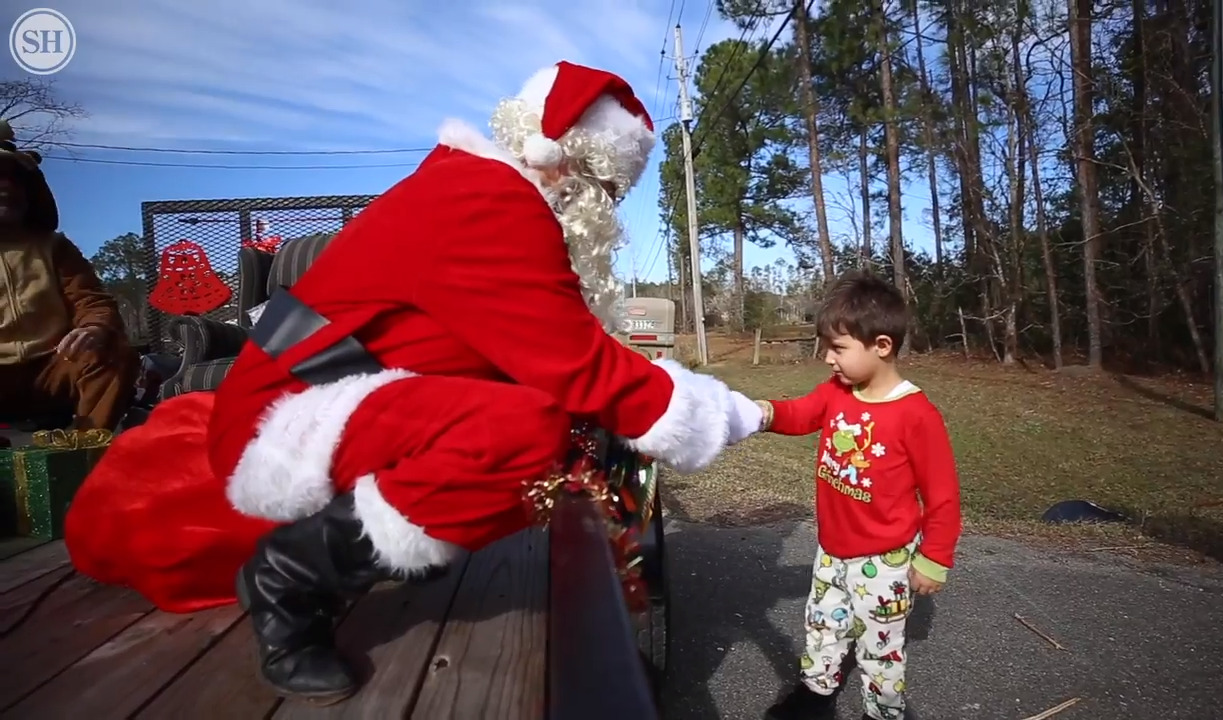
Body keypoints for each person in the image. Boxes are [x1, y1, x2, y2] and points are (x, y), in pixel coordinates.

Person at [65, 61, 762, 705]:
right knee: (525, 430)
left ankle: (383, 537)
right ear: (566, 165)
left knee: (542, 427)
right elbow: (575, 363)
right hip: (291, 414)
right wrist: (720, 413)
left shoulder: (476, 188)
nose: (606, 213)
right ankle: (287, 582)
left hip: (344, 393)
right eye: (608, 191)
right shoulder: (490, 205)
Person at [755, 270, 962, 720]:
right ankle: (816, 692)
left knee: (879, 649)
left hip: (885, 561)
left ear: (882, 346)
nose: (828, 359)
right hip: (832, 550)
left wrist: (934, 558)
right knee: (823, 627)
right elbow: (800, 413)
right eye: (826, 347)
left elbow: (943, 495)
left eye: (838, 348)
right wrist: (763, 412)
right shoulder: (836, 392)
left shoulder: (917, 415)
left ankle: (883, 712)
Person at [0, 120, 139, 432]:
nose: (5, 187)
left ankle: (82, 454)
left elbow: (91, 300)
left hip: (55, 365)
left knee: (114, 355)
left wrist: (95, 328)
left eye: (13, 179)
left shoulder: (55, 247)